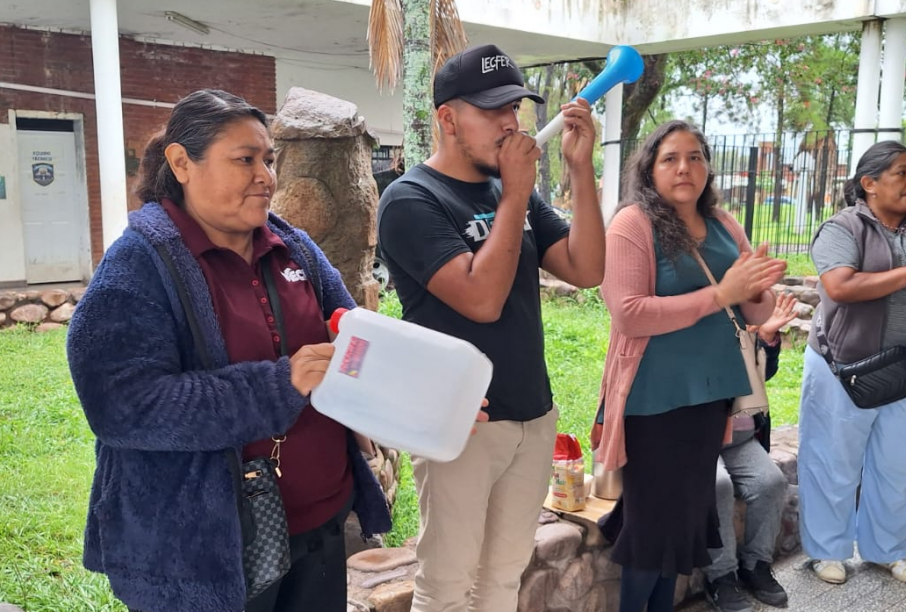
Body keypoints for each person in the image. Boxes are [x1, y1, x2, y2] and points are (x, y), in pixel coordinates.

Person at [66, 89, 394, 612]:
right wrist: (279, 383)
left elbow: (356, 344)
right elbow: (121, 406)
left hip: (322, 524)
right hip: (202, 552)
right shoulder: (137, 266)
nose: (266, 176)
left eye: (268, 159)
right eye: (245, 160)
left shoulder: (293, 247)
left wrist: (426, 399)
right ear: (181, 163)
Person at [376, 44, 605, 612]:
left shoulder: (509, 191)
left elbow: (587, 268)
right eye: (492, 110)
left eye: (515, 108)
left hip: (533, 410)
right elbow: (481, 299)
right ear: (448, 119)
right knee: (447, 585)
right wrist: (519, 192)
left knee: (503, 578)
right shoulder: (411, 199)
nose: (510, 124)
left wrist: (579, 169)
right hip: (462, 424)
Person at [593, 120, 785, 612]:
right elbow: (629, 314)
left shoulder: (723, 224)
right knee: (653, 526)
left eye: (695, 156)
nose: (685, 167)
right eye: (671, 158)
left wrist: (760, 290)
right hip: (654, 400)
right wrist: (721, 293)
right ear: (650, 168)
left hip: (710, 398)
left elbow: (754, 311)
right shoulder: (633, 223)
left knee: (681, 526)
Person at [799, 141, 906, 587]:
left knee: (899, 464)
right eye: (901, 173)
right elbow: (840, 286)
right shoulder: (842, 228)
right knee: (832, 461)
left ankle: (888, 549)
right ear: (869, 183)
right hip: (844, 366)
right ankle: (826, 551)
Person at [703, 293, 796, 612]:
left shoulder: (743, 312)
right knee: (717, 485)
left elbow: (761, 375)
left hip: (741, 435)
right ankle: (721, 577)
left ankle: (755, 565)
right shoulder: (695, 313)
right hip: (698, 438)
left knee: (770, 481)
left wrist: (766, 339)